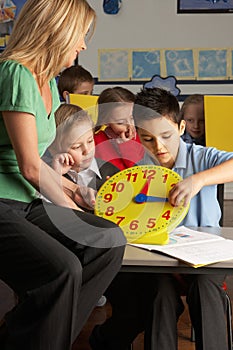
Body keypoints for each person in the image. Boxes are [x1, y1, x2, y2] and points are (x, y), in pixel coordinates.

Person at [0, 1, 126, 350]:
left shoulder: (48, 82)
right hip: (2, 201)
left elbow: (42, 159)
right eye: (80, 36)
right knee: (63, 270)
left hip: (23, 201)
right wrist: (73, 211)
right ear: (57, 30)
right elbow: (28, 165)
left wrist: (74, 189)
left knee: (108, 241)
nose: (83, 45)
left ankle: (28, 336)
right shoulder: (15, 73)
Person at [132, 87, 233, 350]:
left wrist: (198, 180)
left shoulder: (202, 157)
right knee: (159, 295)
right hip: (159, 259)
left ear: (180, 127)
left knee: (204, 289)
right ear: (137, 136)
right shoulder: (136, 170)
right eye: (147, 139)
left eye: (166, 135)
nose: (159, 147)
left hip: (205, 258)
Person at [94, 87, 145, 171]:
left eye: (132, 118)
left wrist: (127, 146)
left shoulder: (142, 138)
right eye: (121, 122)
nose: (130, 126)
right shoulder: (95, 142)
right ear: (105, 120)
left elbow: (140, 171)